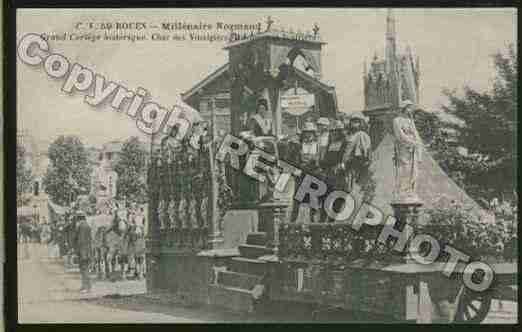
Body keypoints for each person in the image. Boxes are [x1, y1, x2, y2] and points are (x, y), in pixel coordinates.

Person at [392, 100, 423, 202]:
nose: (410, 110)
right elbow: (400, 135)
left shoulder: (410, 121)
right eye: (408, 107)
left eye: (411, 107)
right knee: (404, 169)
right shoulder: (397, 120)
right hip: (403, 148)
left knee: (413, 170)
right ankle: (401, 191)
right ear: (404, 108)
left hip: (412, 148)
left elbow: (416, 134)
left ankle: (410, 191)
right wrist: (411, 142)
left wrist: (418, 145)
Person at [291, 122, 322, 223]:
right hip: (302, 175)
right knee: (297, 200)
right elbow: (295, 161)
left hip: (314, 174)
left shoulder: (317, 146)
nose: (308, 135)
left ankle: (313, 222)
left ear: (314, 134)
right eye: (306, 132)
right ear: (303, 134)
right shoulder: (299, 146)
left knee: (313, 200)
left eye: (310, 132)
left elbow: (320, 160)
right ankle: (292, 222)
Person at [342, 113, 372, 192]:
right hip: (348, 164)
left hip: (356, 162)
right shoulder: (350, 135)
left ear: (361, 123)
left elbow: (364, 151)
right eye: (353, 122)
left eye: (357, 122)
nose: (354, 124)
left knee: (355, 186)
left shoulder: (362, 135)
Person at [74, 213, 93, 293]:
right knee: (85, 269)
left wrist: (77, 250)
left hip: (83, 251)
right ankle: (85, 286)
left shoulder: (81, 227)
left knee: (84, 269)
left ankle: (86, 287)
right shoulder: (87, 226)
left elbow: (80, 240)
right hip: (87, 250)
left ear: (79, 219)